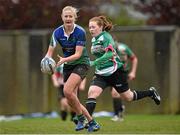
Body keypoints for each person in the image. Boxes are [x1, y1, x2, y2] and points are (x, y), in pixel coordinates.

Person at [85, 15, 161, 118]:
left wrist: (94, 62)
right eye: (89, 27)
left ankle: (151, 93)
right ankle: (88, 121)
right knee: (92, 93)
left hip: (116, 71)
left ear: (100, 27)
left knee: (128, 97)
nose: (91, 29)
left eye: (93, 27)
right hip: (101, 73)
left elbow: (110, 54)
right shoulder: (94, 40)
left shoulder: (106, 37)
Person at [42, 6, 100, 132]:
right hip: (68, 65)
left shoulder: (80, 32)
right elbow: (49, 52)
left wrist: (63, 60)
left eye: (70, 16)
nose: (68, 18)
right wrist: (46, 61)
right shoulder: (57, 32)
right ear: (62, 17)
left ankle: (80, 118)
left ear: (74, 18)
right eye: (66, 16)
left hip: (82, 64)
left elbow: (78, 54)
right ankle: (92, 122)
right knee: (71, 99)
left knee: (67, 90)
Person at [110, 41, 138, 122]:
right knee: (117, 94)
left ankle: (118, 114)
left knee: (115, 93)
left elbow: (134, 58)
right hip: (111, 72)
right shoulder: (104, 47)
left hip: (122, 72)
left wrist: (133, 72)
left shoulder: (123, 47)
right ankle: (120, 109)